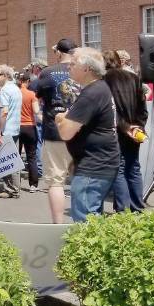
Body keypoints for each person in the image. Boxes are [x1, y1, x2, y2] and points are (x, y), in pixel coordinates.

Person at [56, 48, 120, 222]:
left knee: (85, 224)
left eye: (73, 63)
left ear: (86, 69)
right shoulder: (98, 89)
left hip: (93, 167)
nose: (68, 67)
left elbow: (66, 133)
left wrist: (60, 118)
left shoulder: (92, 93)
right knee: (93, 221)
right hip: (98, 163)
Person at [34, 38, 80, 223]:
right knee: (80, 180)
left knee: (56, 181)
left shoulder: (48, 72)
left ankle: (58, 225)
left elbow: (37, 95)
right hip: (80, 129)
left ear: (59, 53)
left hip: (56, 130)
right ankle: (83, 223)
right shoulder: (84, 70)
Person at [102, 51, 148, 213]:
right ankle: (137, 207)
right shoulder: (135, 79)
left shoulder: (104, 80)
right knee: (133, 167)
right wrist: (138, 127)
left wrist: (124, 126)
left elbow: (109, 110)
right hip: (135, 129)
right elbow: (143, 108)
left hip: (116, 129)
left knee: (119, 168)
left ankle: (123, 209)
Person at [0, 64, 23, 197]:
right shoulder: (15, 88)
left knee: (5, 161)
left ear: (5, 76)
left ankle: (11, 189)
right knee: (13, 159)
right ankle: (15, 188)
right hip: (15, 127)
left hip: (6, 129)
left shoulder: (5, 90)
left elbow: (4, 112)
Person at [18, 74, 41, 193]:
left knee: (15, 157)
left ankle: (15, 185)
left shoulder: (15, 94)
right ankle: (33, 185)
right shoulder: (32, 94)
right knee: (31, 156)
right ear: (27, 81)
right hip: (30, 127)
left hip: (17, 127)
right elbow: (36, 111)